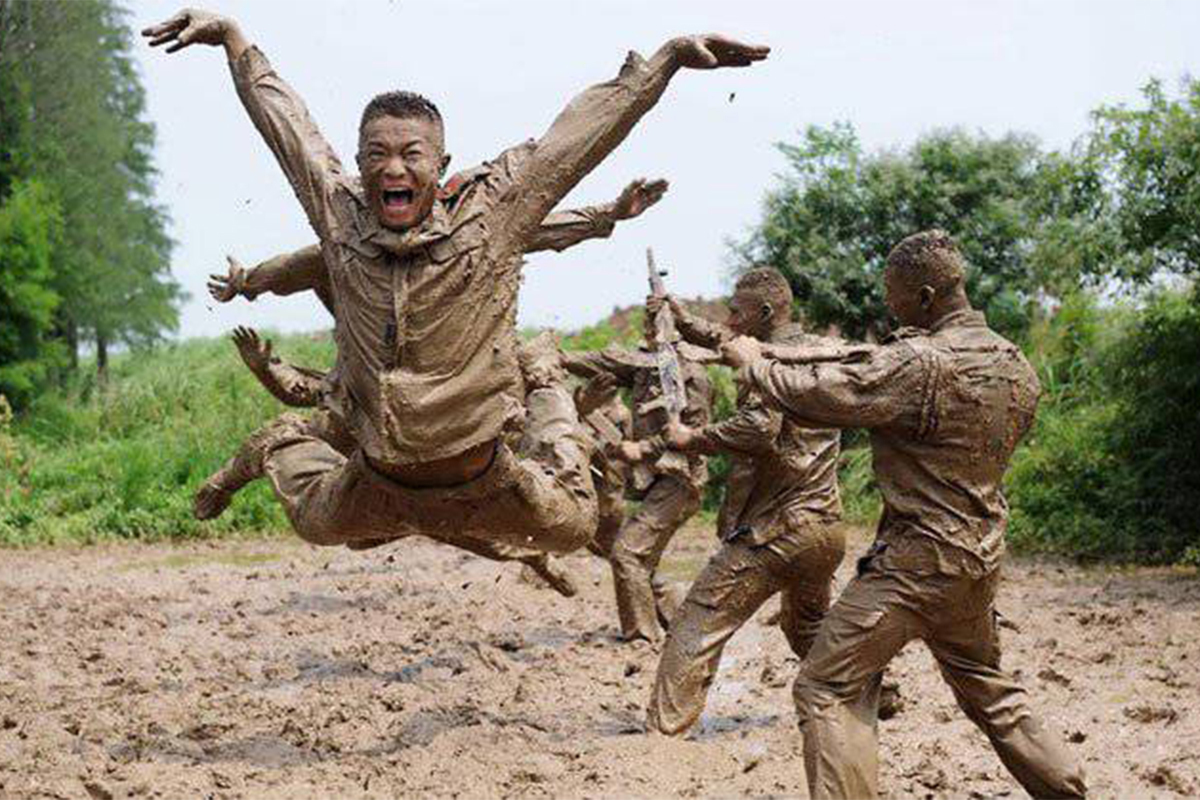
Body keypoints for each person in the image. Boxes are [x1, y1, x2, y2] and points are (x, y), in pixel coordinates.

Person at [142, 8, 768, 554]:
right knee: (312, 520)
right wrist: (234, 41)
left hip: (489, 482)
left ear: (439, 166)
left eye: (411, 154)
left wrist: (664, 62)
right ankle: (268, 450)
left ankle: (548, 392)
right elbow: (291, 133)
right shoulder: (339, 214)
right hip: (376, 484)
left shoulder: (493, 211)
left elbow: (575, 138)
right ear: (359, 165)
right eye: (377, 155)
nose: (393, 167)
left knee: (575, 527)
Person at [721, 231, 1086, 799]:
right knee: (992, 690)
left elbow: (828, 398)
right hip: (979, 561)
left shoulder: (921, 364)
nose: (889, 307)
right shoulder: (1017, 367)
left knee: (825, 688)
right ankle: (1070, 791)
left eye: (894, 296)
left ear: (925, 294)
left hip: (915, 567)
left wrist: (754, 366)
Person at [196, 175, 669, 518]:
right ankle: (222, 483)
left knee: (528, 431)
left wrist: (608, 214)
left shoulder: (470, 235)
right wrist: (248, 282)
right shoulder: (349, 245)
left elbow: (539, 228)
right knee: (285, 431)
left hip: (463, 392)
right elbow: (295, 267)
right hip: (372, 394)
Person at [643, 268, 845, 735]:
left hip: (779, 530)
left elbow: (758, 429)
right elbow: (723, 339)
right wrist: (678, 315)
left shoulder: (765, 366)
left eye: (738, 311)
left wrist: (691, 436)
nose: (730, 320)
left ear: (765, 313)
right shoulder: (814, 351)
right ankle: (879, 695)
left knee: (696, 620)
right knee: (810, 628)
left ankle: (662, 733)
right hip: (825, 528)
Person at [561, 332, 712, 643]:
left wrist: (642, 449)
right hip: (656, 480)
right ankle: (689, 631)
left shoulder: (691, 374)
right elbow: (604, 361)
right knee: (641, 562)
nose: (648, 329)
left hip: (680, 481)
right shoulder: (644, 366)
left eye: (654, 320)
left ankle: (642, 639)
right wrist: (561, 358)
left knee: (627, 554)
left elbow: (697, 436)